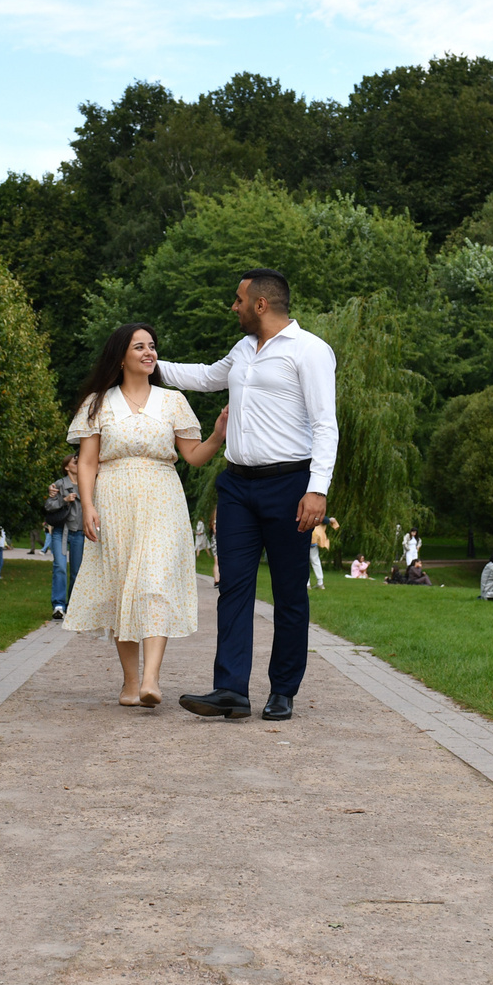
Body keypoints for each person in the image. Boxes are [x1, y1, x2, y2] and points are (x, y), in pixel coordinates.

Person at [155, 268, 339, 723]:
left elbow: (324, 424)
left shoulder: (310, 351)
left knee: (289, 593)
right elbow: (204, 376)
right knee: (232, 586)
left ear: (261, 304)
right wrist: (149, 364)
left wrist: (317, 489)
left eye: (238, 300)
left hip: (290, 485)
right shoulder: (242, 350)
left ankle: (283, 690)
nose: (232, 307)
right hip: (237, 485)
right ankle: (231, 690)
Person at [62, 321, 229, 707]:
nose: (148, 353)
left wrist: (217, 436)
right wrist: (87, 505)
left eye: (152, 346)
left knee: (154, 580)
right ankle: (130, 681)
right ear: (121, 356)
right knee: (124, 586)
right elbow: (87, 463)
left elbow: (193, 457)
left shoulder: (173, 402)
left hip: (162, 498)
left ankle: (152, 679)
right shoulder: (97, 404)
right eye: (139, 347)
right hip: (114, 499)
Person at [41, 454, 86, 620]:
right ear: (66, 467)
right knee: (59, 567)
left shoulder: (88, 482)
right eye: (75, 461)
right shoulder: (59, 485)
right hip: (61, 531)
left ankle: (73, 605)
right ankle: (59, 605)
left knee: (77, 571)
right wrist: (64, 500)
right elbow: (48, 506)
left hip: (80, 533)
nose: (78, 463)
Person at [308, 515, 336, 590]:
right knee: (315, 560)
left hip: (303, 536)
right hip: (313, 537)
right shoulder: (313, 508)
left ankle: (307, 583)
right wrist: (329, 520)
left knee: (304, 561)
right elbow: (321, 518)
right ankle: (320, 582)